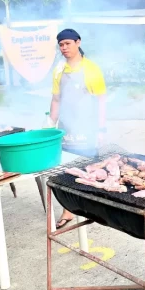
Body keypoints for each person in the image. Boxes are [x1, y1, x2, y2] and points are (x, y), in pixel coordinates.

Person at [49, 29, 107, 228]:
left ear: (78, 42)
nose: (64, 48)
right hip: (66, 127)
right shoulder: (59, 70)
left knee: (89, 168)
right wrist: (50, 126)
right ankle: (68, 210)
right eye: (61, 45)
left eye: (67, 43)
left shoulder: (91, 69)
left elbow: (101, 101)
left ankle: (92, 207)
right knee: (66, 170)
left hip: (87, 126)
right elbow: (56, 99)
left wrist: (101, 129)